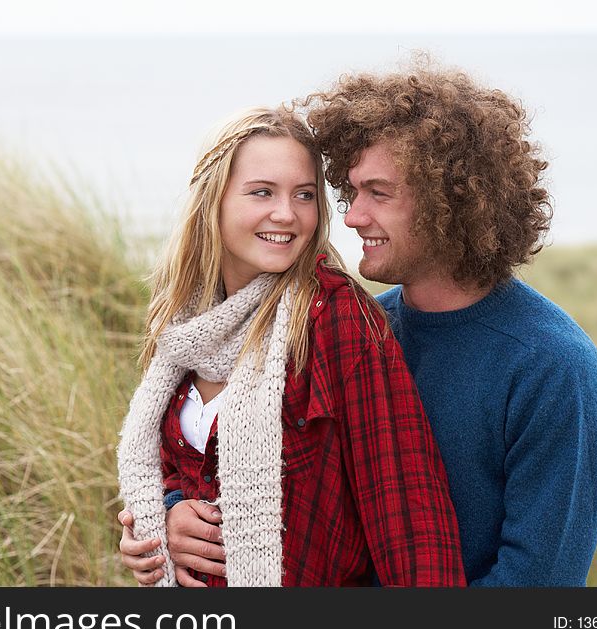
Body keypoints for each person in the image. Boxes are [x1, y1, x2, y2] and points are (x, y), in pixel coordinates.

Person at [120, 63, 597, 587]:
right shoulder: (356, 326)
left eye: (378, 193)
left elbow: (540, 584)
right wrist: (179, 514)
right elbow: (284, 498)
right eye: (350, 192)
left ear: (448, 205)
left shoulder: (555, 368)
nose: (353, 216)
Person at [116, 106, 465, 587]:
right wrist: (169, 518)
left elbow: (406, 514)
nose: (287, 214)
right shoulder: (184, 324)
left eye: (304, 195)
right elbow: (182, 469)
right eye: (262, 192)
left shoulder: (338, 319)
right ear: (212, 200)